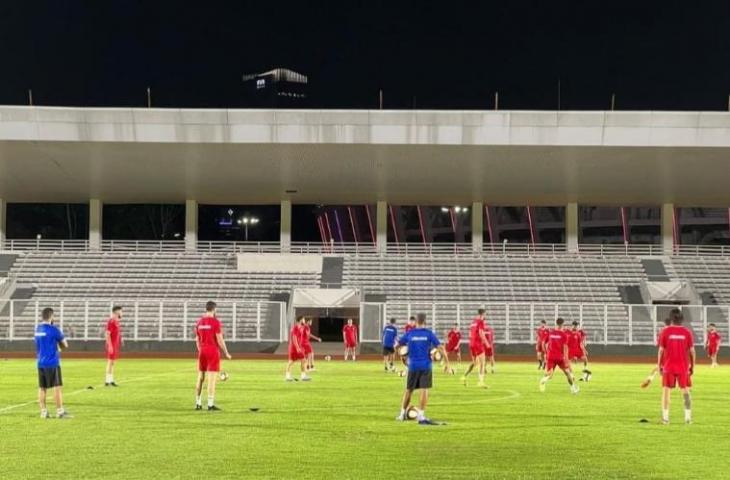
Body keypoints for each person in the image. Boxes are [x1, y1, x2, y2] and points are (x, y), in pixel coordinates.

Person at [395, 313, 450, 425]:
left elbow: (397, 346)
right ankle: (421, 415)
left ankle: (402, 414)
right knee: (424, 390)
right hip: (426, 366)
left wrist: (403, 357)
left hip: (413, 366)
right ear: (425, 321)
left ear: (416, 322)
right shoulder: (429, 334)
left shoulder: (409, 333)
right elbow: (441, 348)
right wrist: (447, 364)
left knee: (409, 390)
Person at [657, 309, 695, 424]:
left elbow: (661, 350)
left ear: (671, 318)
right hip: (683, 366)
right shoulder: (687, 332)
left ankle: (665, 419)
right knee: (686, 392)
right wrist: (692, 366)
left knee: (666, 391)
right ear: (681, 318)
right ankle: (688, 418)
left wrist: (659, 365)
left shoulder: (665, 331)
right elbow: (692, 351)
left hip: (668, 366)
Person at [194, 301, 232, 411]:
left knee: (200, 377)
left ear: (206, 309)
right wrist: (226, 352)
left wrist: (201, 350)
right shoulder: (215, 322)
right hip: (212, 351)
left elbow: (197, 340)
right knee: (211, 379)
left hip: (202, 351)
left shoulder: (199, 322)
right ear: (214, 309)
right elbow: (220, 340)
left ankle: (198, 403)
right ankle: (210, 404)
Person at [35, 307, 70, 419]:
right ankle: (60, 411)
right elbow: (65, 345)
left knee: (42, 387)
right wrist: (59, 346)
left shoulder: (37, 329)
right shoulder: (54, 329)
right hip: (52, 362)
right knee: (57, 386)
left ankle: (43, 412)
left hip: (40, 362)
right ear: (51, 316)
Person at [539, 318, 579, 394]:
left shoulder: (550, 332)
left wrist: (545, 352)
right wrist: (566, 359)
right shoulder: (564, 335)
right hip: (560, 357)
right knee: (567, 373)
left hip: (550, 356)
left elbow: (543, 342)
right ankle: (573, 388)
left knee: (549, 374)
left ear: (556, 323)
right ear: (562, 324)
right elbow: (565, 348)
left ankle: (544, 379)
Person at [461, 308, 490, 388]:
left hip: (472, 344)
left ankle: (464, 376)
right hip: (478, 344)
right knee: (482, 363)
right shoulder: (481, 322)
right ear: (483, 314)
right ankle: (481, 382)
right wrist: (487, 343)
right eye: (485, 314)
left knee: (475, 363)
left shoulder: (473, 322)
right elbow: (481, 333)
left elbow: (470, 333)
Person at [286, 316, 312, 382]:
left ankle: (303, 376)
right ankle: (288, 376)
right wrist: (297, 347)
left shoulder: (301, 327)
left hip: (298, 347)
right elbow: (294, 338)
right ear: (300, 320)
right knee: (291, 361)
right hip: (294, 347)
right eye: (303, 319)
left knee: (303, 360)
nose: (304, 320)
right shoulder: (295, 328)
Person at [104, 306, 123, 387]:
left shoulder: (117, 321)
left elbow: (117, 332)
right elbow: (107, 334)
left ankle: (111, 380)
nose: (122, 313)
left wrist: (121, 339)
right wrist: (110, 346)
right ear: (116, 312)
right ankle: (107, 381)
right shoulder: (111, 321)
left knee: (113, 363)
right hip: (112, 344)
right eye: (121, 311)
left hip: (115, 344)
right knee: (110, 362)